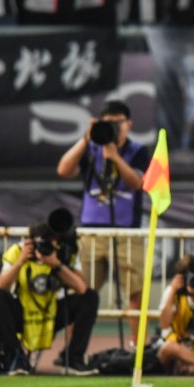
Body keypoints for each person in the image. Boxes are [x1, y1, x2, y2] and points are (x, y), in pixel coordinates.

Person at [56, 99, 151, 342]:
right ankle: (72, 350)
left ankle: (138, 349)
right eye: (108, 124)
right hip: (91, 230)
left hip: (127, 231)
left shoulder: (138, 150)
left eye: (118, 123)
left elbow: (138, 184)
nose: (113, 129)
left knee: (135, 292)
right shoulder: (90, 148)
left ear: (128, 124)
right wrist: (87, 138)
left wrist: (116, 157)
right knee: (82, 291)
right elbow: (64, 170)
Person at [0, 211, 99, 375]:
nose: (48, 244)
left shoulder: (62, 252)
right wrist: (21, 261)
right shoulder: (18, 251)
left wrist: (56, 264)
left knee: (91, 297)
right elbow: (0, 285)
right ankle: (17, 358)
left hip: (53, 311)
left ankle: (73, 358)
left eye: (52, 240)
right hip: (23, 310)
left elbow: (82, 288)